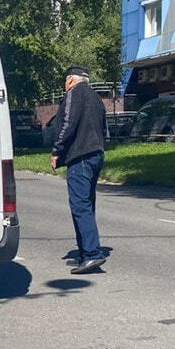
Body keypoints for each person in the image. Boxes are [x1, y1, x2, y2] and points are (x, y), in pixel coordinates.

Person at [50, 65, 107, 274]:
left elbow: (67, 123)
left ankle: (92, 254)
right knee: (87, 204)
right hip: (96, 154)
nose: (65, 86)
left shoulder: (74, 94)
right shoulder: (97, 98)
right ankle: (86, 254)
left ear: (71, 80)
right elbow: (103, 127)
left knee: (80, 205)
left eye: (65, 82)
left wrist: (57, 150)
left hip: (80, 156)